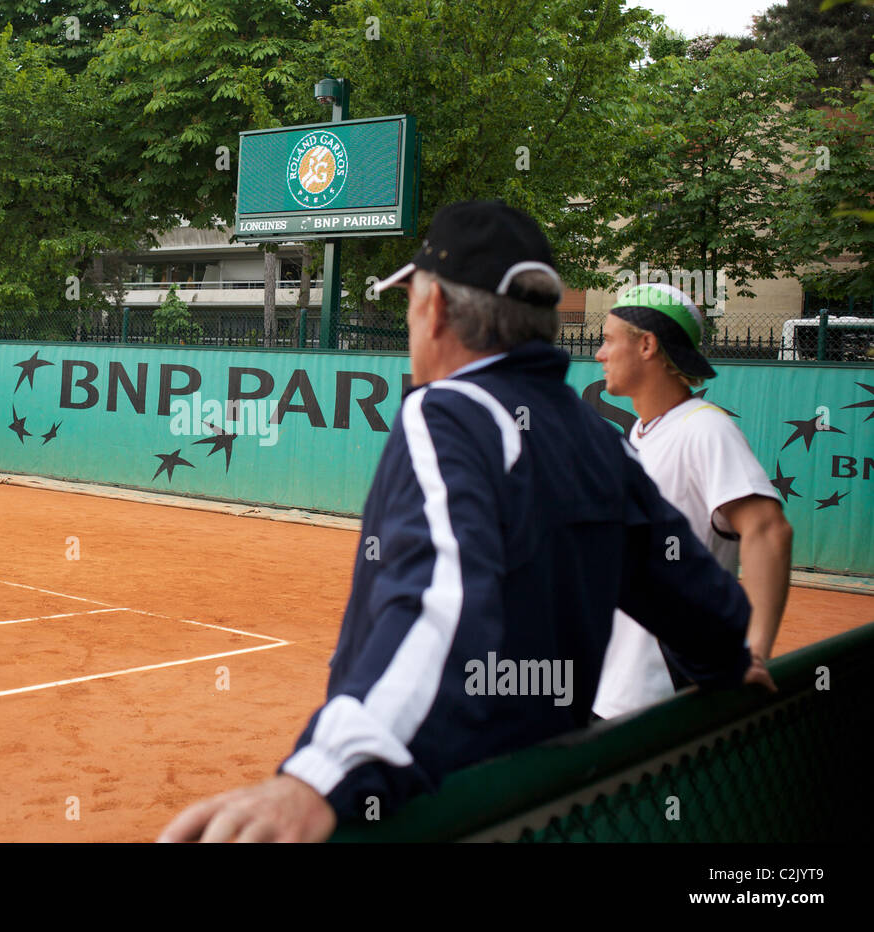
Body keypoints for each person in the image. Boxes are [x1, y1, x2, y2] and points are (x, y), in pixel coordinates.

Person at [158, 200, 775, 843]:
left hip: (444, 804)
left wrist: (328, 772)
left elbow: (439, 596)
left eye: (410, 301)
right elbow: (690, 593)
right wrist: (728, 658)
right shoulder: (599, 438)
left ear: (439, 310)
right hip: (547, 804)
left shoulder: (447, 412)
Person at [592, 283, 793, 720]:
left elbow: (769, 530)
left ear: (647, 345)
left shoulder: (704, 429)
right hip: (615, 688)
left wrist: (754, 653)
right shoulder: (642, 434)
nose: (599, 354)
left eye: (608, 339)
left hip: (659, 697)